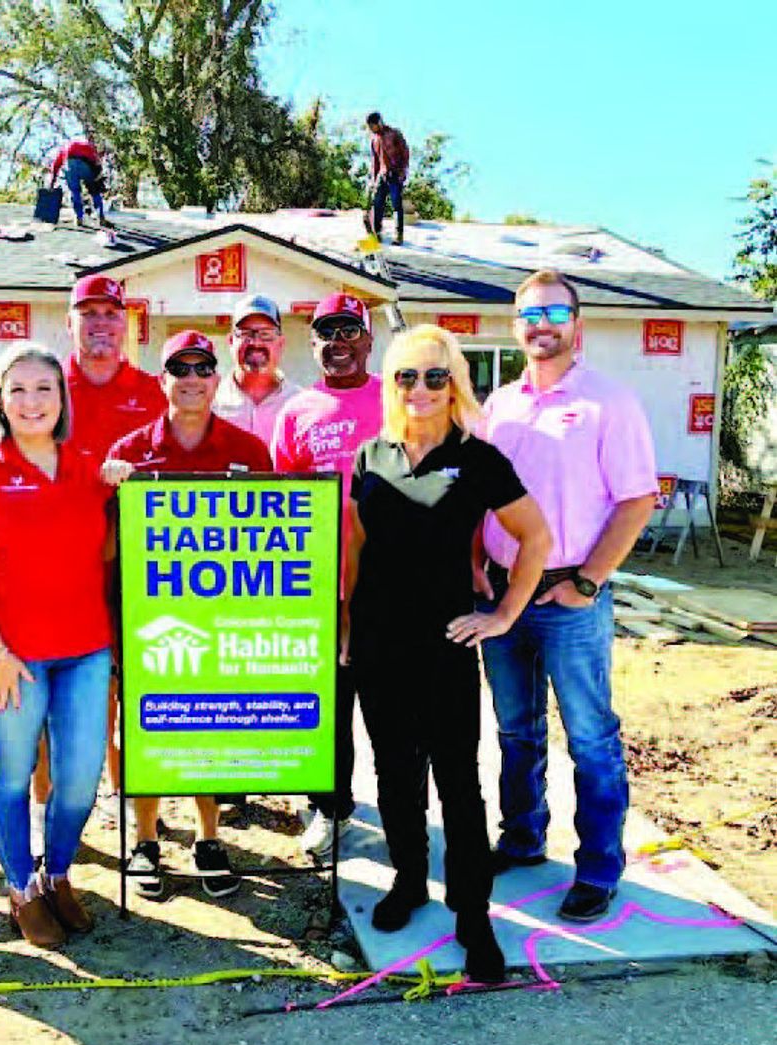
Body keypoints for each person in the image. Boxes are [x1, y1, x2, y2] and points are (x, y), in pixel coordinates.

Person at [345, 325, 551, 982]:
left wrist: (502, 615)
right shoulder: (369, 456)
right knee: (393, 772)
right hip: (379, 640)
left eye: (436, 376)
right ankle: (408, 881)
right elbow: (355, 550)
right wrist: (347, 625)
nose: (422, 388)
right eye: (408, 375)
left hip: (447, 642)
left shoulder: (478, 456)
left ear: (455, 383)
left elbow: (536, 537)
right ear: (393, 384)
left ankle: (472, 911)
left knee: (458, 781)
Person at [475, 268, 658, 923]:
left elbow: (638, 499)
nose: (541, 324)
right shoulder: (501, 405)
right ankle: (523, 839)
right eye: (529, 314)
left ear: (577, 326)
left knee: (589, 738)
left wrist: (588, 582)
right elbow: (482, 495)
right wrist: (477, 563)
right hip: (504, 598)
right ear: (516, 327)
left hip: (569, 596)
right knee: (515, 730)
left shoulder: (610, 402)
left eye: (555, 312)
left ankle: (600, 868)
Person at [0, 343, 120, 948]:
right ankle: (20, 889)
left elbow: (113, 549)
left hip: (85, 650)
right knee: (13, 776)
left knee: (78, 778)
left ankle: (57, 871)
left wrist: (125, 484)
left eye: (45, 388)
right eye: (18, 389)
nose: (32, 401)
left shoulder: (88, 467)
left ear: (63, 398)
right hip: (7, 657)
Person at [108, 330, 273, 900]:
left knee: (210, 726)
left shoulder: (249, 451)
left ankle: (208, 837)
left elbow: (273, 539)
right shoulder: (129, 453)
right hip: (147, 617)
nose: (193, 378)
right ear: (163, 380)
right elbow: (107, 543)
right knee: (145, 729)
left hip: (221, 617)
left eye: (204, 367)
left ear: (216, 378)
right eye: (181, 368)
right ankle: (145, 840)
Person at [26, 275, 167, 848]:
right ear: (70, 323)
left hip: (137, 564)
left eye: (112, 313)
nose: (102, 324)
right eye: (89, 314)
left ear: (127, 323)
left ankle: (133, 816)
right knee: (49, 693)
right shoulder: (46, 385)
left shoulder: (155, 388)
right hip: (60, 562)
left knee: (134, 694)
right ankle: (44, 810)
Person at [271, 292, 382, 859]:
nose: (338, 343)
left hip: (386, 584)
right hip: (314, 584)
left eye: (349, 331)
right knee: (325, 704)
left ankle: (404, 812)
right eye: (325, 333)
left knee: (389, 706)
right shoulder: (296, 411)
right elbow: (277, 505)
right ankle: (331, 805)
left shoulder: (399, 400)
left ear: (367, 339)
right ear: (311, 344)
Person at [213, 293, 301, 447]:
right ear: (231, 341)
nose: (255, 342)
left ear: (281, 343)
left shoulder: (300, 404)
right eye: (246, 334)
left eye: (265, 334)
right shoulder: (210, 402)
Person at [365, 111, 409, 245]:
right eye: (370, 127)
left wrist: (403, 171)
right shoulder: (374, 140)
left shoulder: (394, 134)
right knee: (377, 204)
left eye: (373, 125)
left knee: (396, 204)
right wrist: (373, 180)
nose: (372, 129)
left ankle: (398, 235)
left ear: (379, 122)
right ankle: (376, 233)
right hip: (382, 176)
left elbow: (405, 152)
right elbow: (375, 162)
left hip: (395, 173)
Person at [48, 138, 106, 227]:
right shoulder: (88, 146)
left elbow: (56, 165)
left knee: (75, 191)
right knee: (94, 191)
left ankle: (79, 217)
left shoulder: (65, 147)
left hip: (70, 162)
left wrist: (52, 182)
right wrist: (96, 181)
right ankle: (101, 216)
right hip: (85, 164)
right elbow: (97, 164)